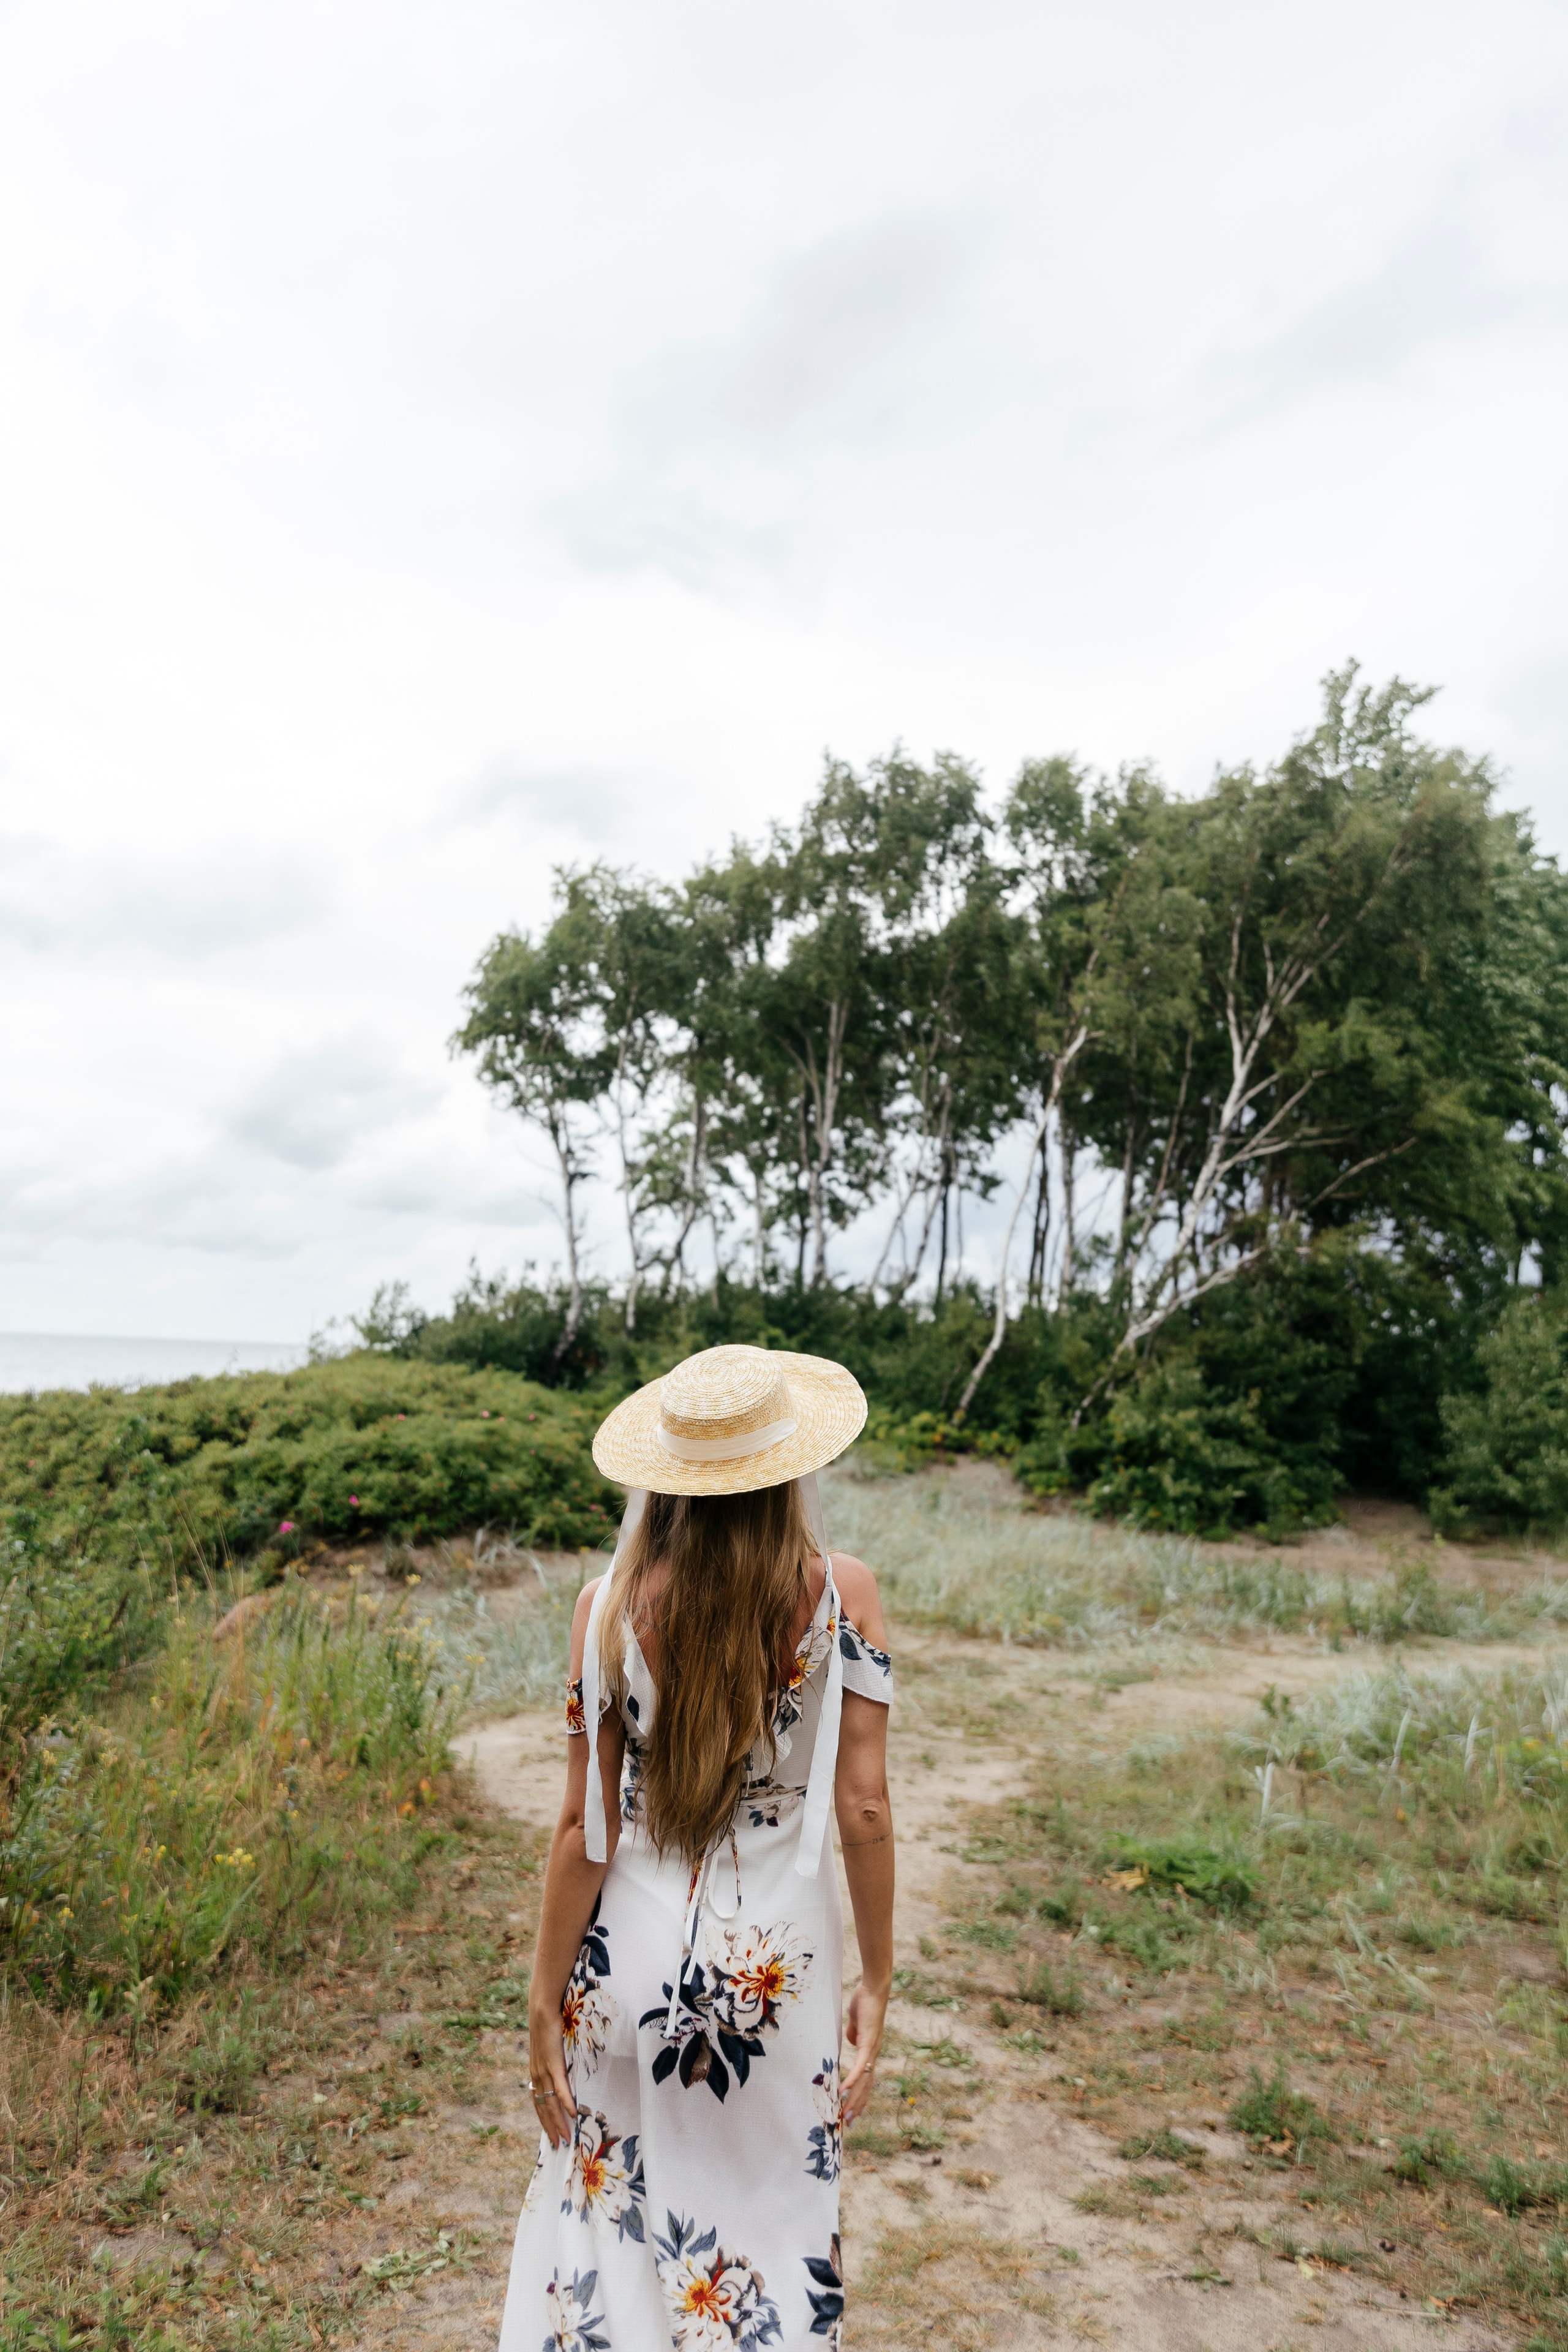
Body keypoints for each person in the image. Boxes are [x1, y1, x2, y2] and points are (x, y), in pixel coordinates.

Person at [499, 1343, 894, 2352]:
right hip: (774, 1976)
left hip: (625, 1964)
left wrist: (542, 1996)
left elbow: (582, 1829)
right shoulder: (843, 1595)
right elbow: (864, 1808)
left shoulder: (605, 1609)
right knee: (766, 2244)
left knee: (609, 2238)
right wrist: (879, 1979)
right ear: (791, 1465)